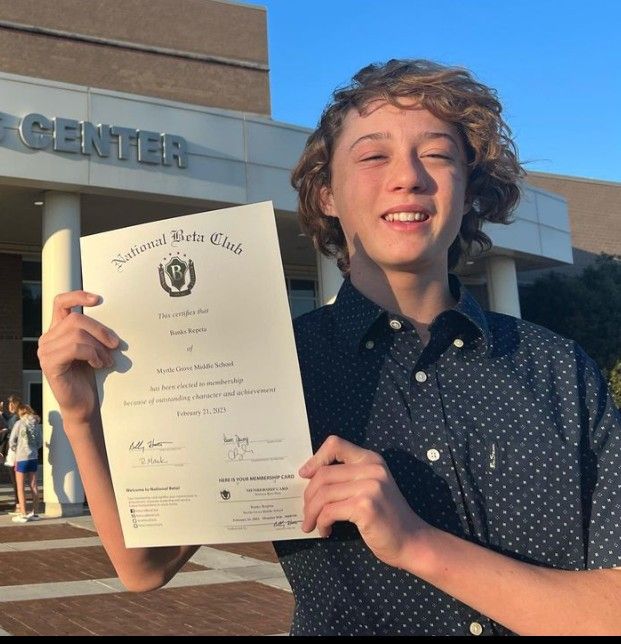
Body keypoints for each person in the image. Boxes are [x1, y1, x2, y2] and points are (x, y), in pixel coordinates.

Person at [37, 59, 621, 635]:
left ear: (469, 189)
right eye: (372, 155)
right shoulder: (269, 368)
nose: (408, 176)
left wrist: (416, 543)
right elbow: (146, 567)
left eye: (438, 154)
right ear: (326, 196)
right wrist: (84, 415)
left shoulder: (558, 370)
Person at [8, 402, 42, 523]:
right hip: (33, 457)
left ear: (21, 412)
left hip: (21, 458)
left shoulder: (19, 423)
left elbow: (12, 440)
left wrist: (14, 449)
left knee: (20, 486)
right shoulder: (36, 424)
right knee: (33, 485)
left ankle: (23, 513)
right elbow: (39, 443)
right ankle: (36, 513)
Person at [2, 395, 22, 515]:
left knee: (15, 480)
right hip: (15, 452)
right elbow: (8, 418)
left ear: (15, 405)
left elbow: (9, 425)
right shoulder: (15, 416)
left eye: (10, 404)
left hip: (14, 452)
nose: (9, 406)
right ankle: (18, 504)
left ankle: (19, 505)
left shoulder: (15, 418)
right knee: (16, 480)